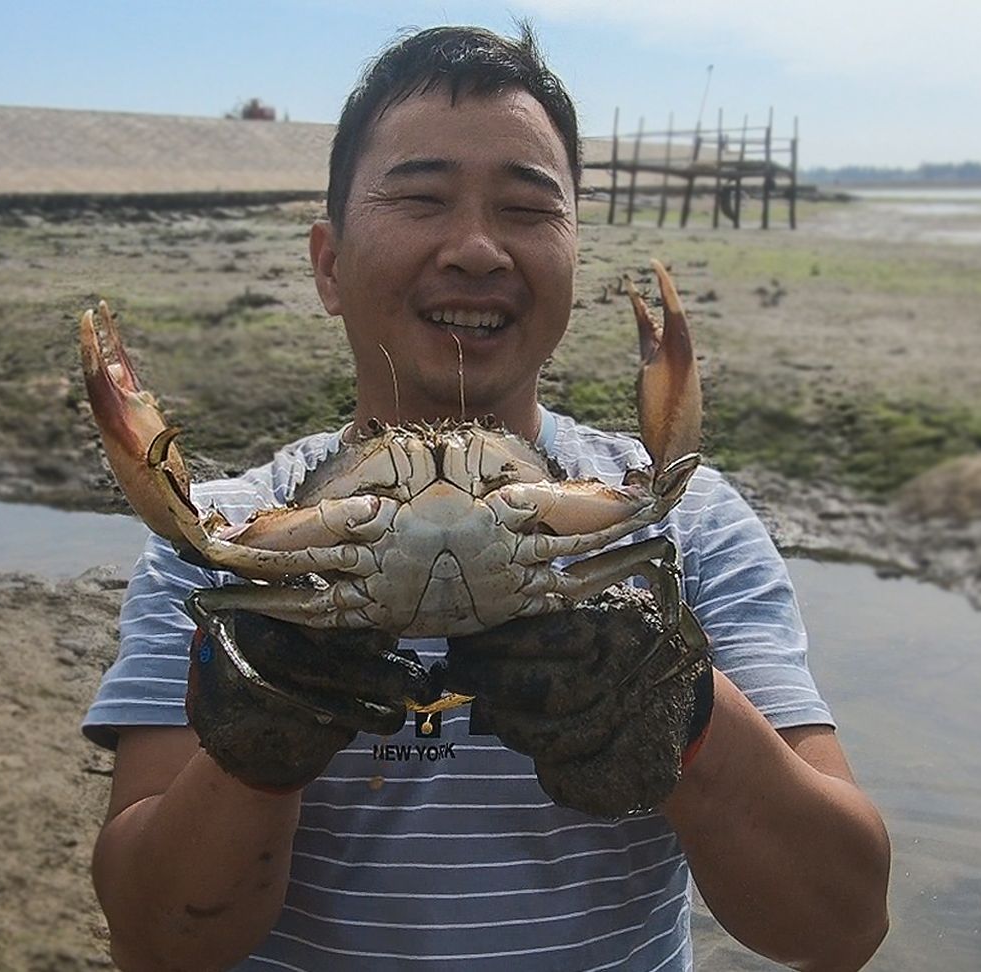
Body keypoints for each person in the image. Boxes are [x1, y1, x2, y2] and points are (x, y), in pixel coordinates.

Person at [83, 24, 889, 972]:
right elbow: (155, 941)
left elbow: (838, 930)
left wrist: (685, 711)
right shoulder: (216, 540)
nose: (475, 248)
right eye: (421, 198)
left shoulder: (683, 523)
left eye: (525, 207)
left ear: (573, 256)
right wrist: (258, 743)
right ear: (328, 262)